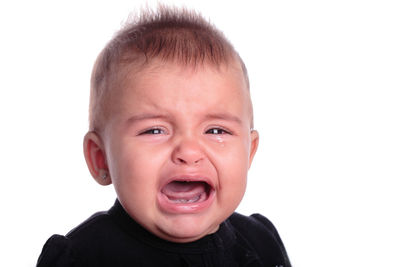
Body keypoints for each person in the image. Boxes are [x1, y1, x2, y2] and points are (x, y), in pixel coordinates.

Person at [37, 5, 291, 267]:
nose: (189, 152)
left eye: (216, 130)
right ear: (101, 159)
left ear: (248, 153)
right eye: (154, 130)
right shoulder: (83, 257)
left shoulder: (261, 243)